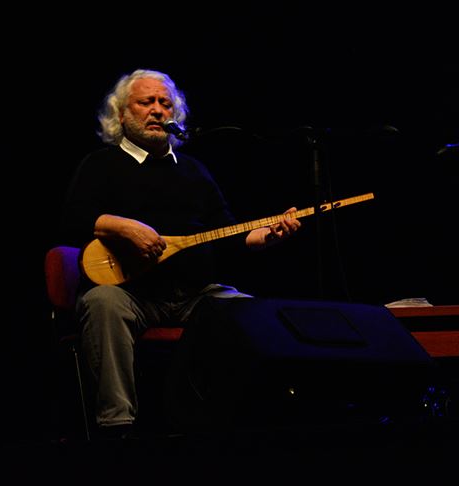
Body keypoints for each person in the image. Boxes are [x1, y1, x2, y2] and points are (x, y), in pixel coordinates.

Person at [59, 69, 302, 438]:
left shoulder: (193, 170)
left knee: (253, 314)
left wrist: (269, 236)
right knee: (102, 303)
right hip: (131, 295)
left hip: (194, 296)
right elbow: (71, 221)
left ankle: (239, 424)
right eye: (146, 102)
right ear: (121, 114)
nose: (158, 110)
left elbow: (227, 235)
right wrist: (121, 226)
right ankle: (116, 429)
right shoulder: (100, 164)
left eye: (165, 103)